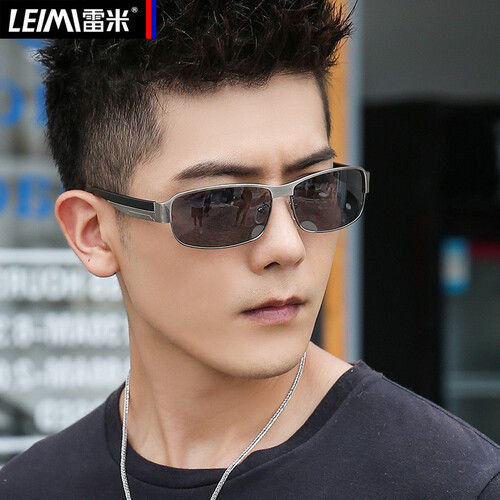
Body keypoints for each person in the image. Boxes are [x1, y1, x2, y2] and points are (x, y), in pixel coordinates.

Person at [1, 1, 499, 498]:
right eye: (221, 202)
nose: (286, 246)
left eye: (315, 189)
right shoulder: (33, 486)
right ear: (93, 232)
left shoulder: (452, 482)